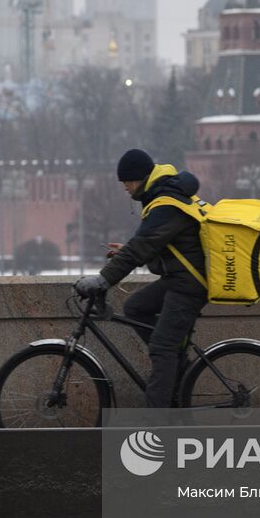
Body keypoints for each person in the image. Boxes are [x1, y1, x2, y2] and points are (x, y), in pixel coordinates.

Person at [74, 148, 207, 408]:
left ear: (138, 178)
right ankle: (179, 369)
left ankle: (157, 424)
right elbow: (158, 244)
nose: (124, 187)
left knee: (161, 348)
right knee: (135, 308)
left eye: (126, 180)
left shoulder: (166, 202)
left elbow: (142, 246)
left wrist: (103, 280)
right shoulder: (163, 196)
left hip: (190, 284)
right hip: (179, 278)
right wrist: (127, 250)